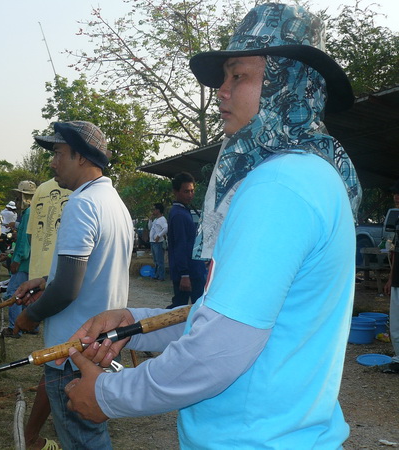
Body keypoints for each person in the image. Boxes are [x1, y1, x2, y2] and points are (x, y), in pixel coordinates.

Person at [62, 4, 362, 447]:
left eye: (238, 76)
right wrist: (136, 321)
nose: (221, 91)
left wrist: (110, 394)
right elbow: (231, 318)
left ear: (287, 82)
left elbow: (220, 349)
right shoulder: (313, 176)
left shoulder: (279, 185)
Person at [13, 121, 133, 449]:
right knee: (88, 437)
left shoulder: (81, 204)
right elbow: (88, 272)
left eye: (58, 153)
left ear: (80, 157)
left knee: (83, 442)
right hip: (97, 346)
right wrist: (44, 281)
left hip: (72, 352)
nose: (52, 162)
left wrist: (30, 317)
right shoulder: (113, 202)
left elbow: (67, 289)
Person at [20, 177, 71, 450]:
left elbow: (32, 239)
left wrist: (38, 279)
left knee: (59, 360)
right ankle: (31, 436)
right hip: (61, 282)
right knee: (57, 364)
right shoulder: (81, 192)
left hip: (44, 278)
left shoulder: (42, 190)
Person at [2, 180, 37, 338]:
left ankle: (14, 328)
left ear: (25, 197)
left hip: (24, 262)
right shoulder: (34, 211)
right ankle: (31, 326)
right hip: (31, 261)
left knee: (13, 293)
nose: (16, 201)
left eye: (18, 197)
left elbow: (24, 240)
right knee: (29, 294)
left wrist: (16, 259)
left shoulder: (29, 213)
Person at [167, 172, 206, 307]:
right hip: (189, 273)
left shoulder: (184, 211)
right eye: (186, 191)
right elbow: (180, 245)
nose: (190, 194)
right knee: (181, 308)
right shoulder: (178, 215)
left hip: (194, 270)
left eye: (192, 191)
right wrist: (184, 275)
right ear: (176, 192)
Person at [383, 180, 399, 373]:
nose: (396, 197)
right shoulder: (397, 222)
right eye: (395, 194)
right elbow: (395, 253)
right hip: (397, 279)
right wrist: (389, 278)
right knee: (395, 322)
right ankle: (397, 360)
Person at [149, 202, 168, 281]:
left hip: (158, 242)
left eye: (154, 209)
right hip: (153, 242)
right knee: (156, 260)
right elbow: (150, 227)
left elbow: (166, 228)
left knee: (160, 260)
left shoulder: (162, 219)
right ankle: (157, 274)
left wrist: (159, 235)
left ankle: (161, 276)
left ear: (158, 210)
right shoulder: (156, 220)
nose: (153, 211)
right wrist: (150, 219)